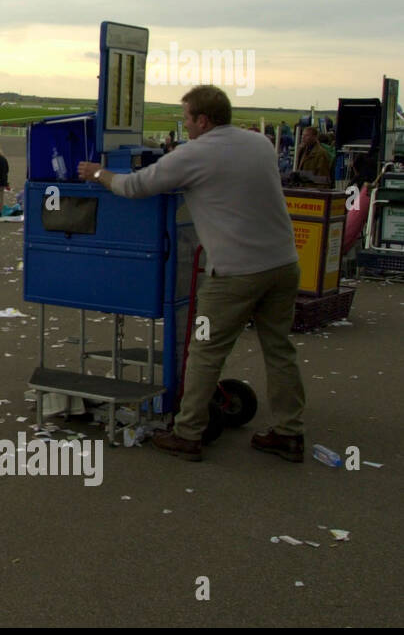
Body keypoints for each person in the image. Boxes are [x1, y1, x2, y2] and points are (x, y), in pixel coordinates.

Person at [78, 84, 308, 463]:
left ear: (202, 120)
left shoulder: (195, 154)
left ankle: (187, 433)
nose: (184, 126)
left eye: (186, 118)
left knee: (203, 350)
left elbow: (136, 186)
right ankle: (289, 432)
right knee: (279, 350)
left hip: (234, 274)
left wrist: (99, 173)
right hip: (283, 265)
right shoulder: (260, 145)